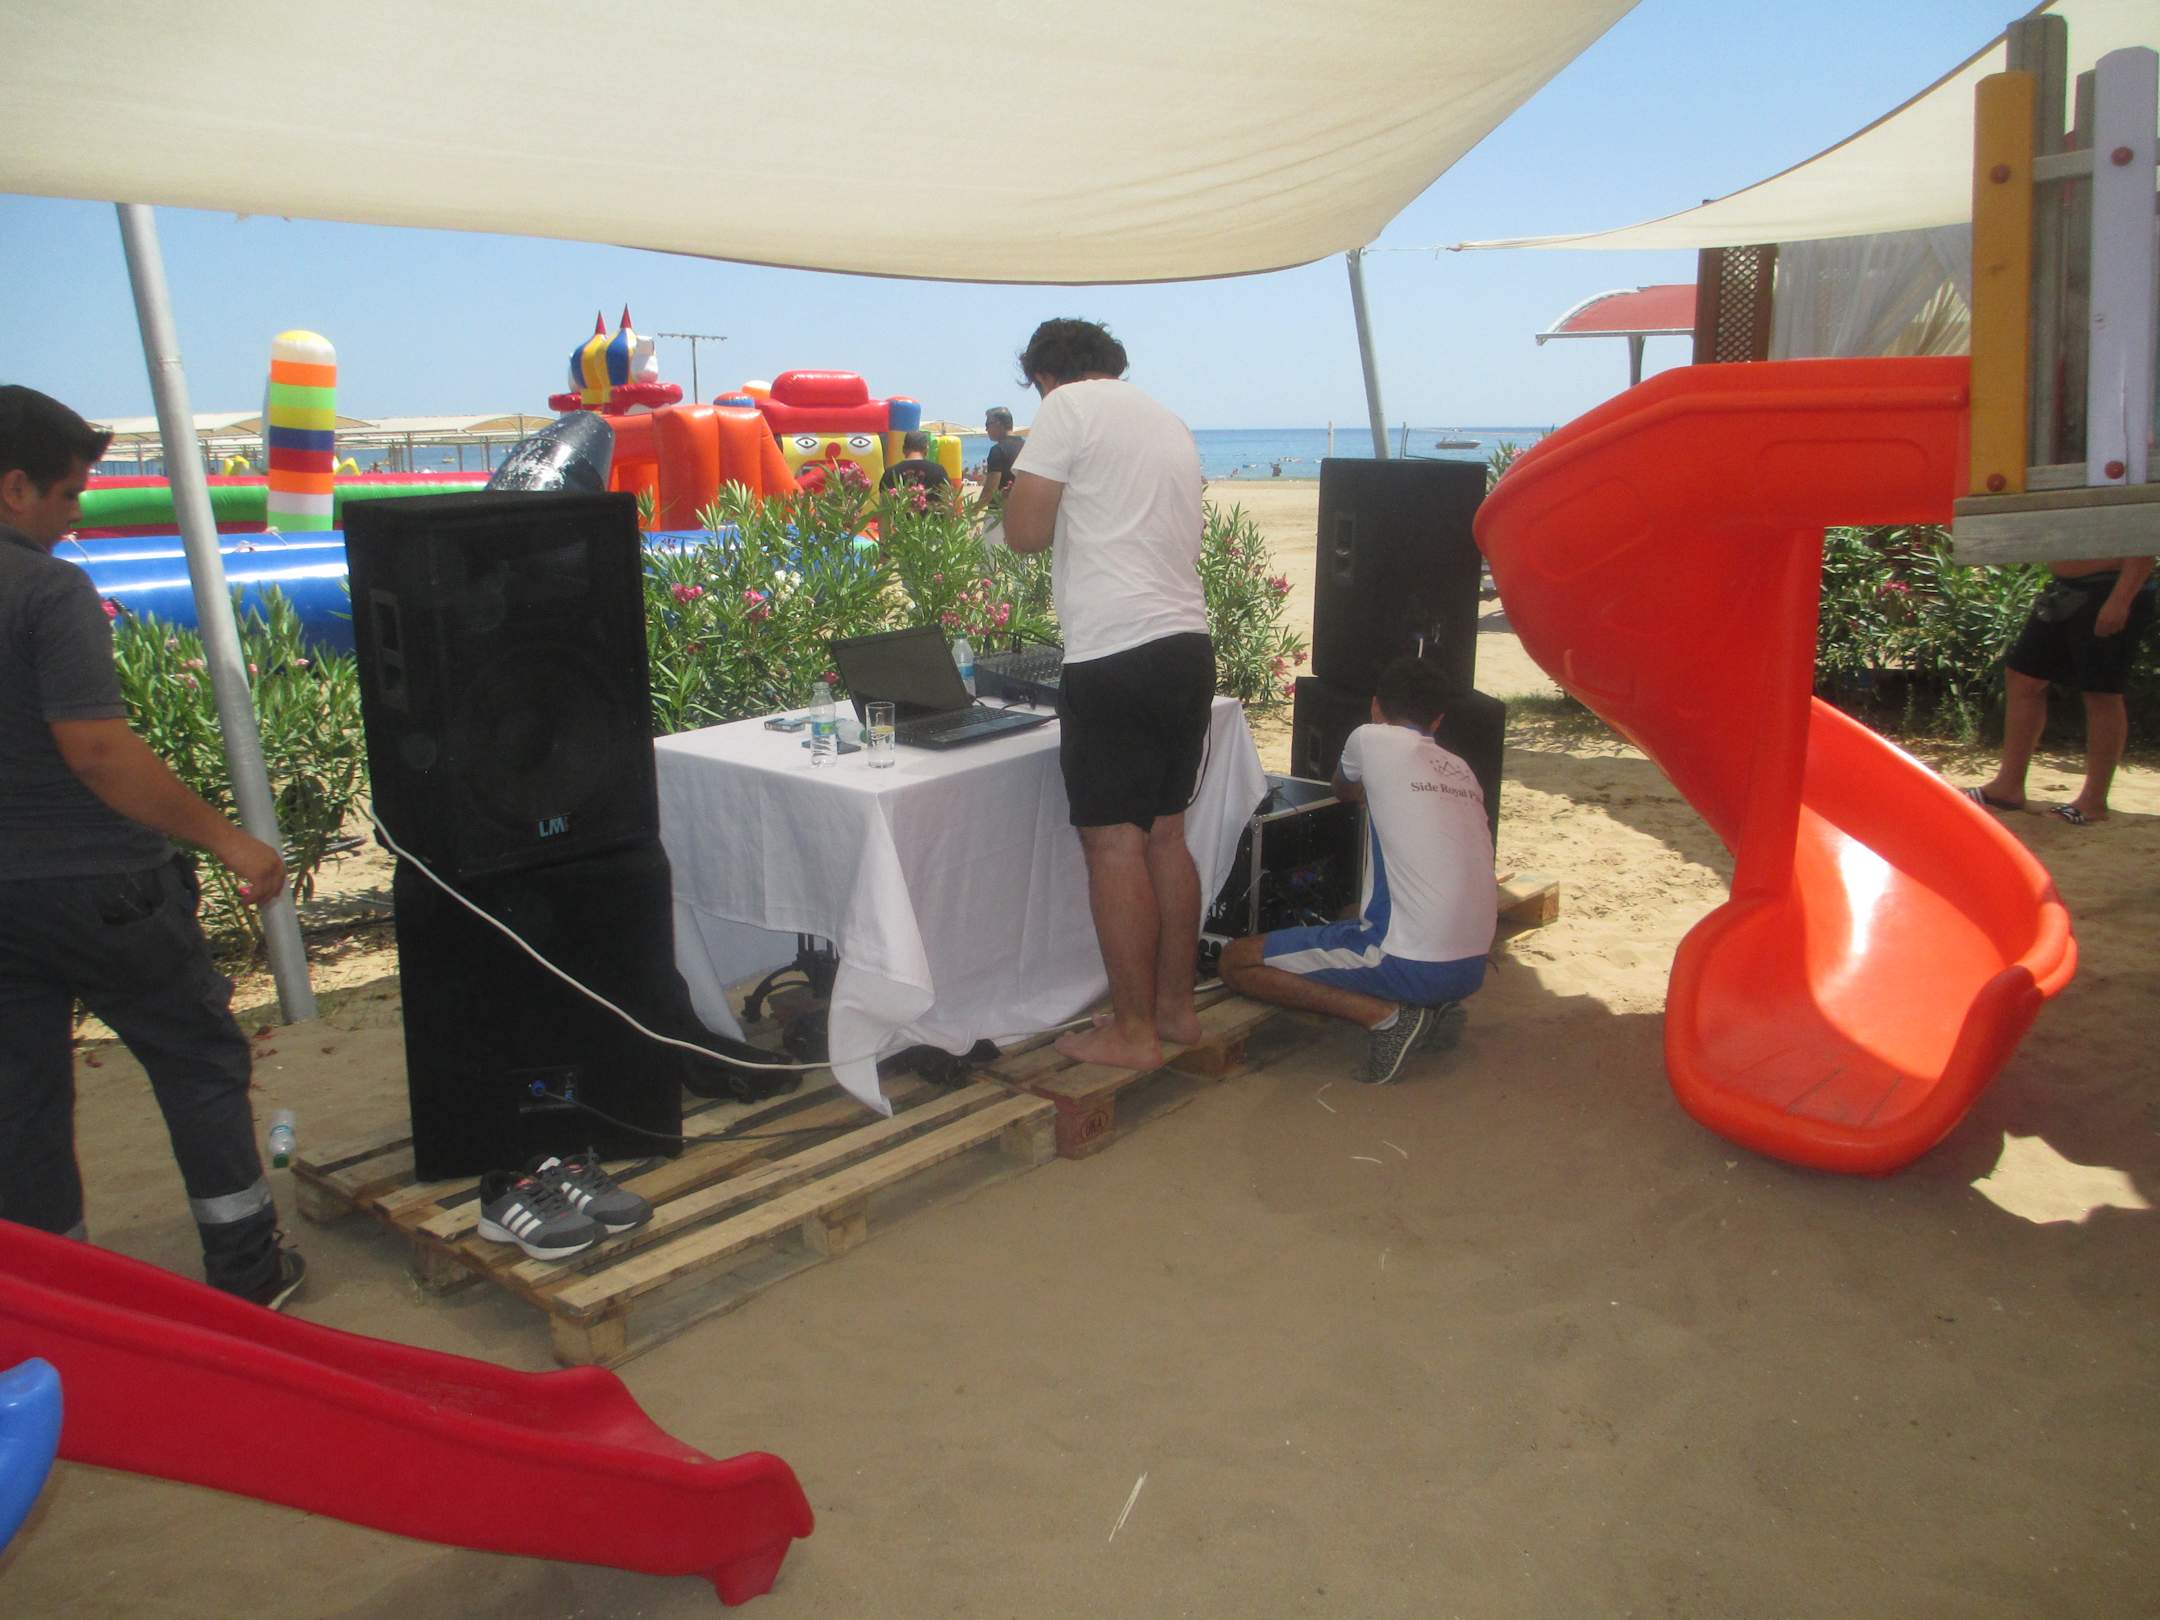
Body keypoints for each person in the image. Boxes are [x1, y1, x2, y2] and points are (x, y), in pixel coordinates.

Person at [0, 385, 303, 1308]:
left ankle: (58, 1300)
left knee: (20, 1100)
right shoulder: (47, 589)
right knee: (198, 1060)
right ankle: (247, 1269)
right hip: (103, 889)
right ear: (15, 488)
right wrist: (229, 842)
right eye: (68, 494)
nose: (76, 516)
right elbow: (96, 750)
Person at [997, 319, 1213, 1070]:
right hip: (1186, 645)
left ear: (1043, 376)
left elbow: (1025, 534)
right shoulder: (1165, 418)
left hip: (1115, 652)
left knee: (1115, 842)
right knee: (1166, 836)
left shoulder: (1066, 407)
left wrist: (1014, 491)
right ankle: (1175, 1010)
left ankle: (1132, 1031)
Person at [1218, 656, 1497, 1085]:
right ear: (1438, 720)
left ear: (1375, 706)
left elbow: (1343, 789)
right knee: (1352, 912)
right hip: (1471, 966)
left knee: (1236, 961)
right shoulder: (1461, 769)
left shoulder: (1369, 737)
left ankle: (1386, 1017)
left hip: (1411, 962)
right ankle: (1434, 1004)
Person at [1965, 553, 2155, 825]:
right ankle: (2008, 788)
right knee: (2023, 678)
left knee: (2101, 692)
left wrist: (2120, 600)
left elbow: (2143, 542)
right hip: (2062, 589)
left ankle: (2093, 803)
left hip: (2111, 587)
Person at [878, 430, 955, 503]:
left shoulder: (890, 473)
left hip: (898, 513)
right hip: (932, 513)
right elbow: (947, 503)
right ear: (926, 449)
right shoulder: (939, 472)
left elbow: (883, 505)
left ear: (903, 449)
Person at [979, 405, 1023, 505]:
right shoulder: (1026, 447)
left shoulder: (998, 450)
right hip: (1022, 507)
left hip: (1000, 510)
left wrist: (972, 512)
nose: (986, 429)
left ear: (998, 424)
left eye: (987, 425)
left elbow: (990, 490)